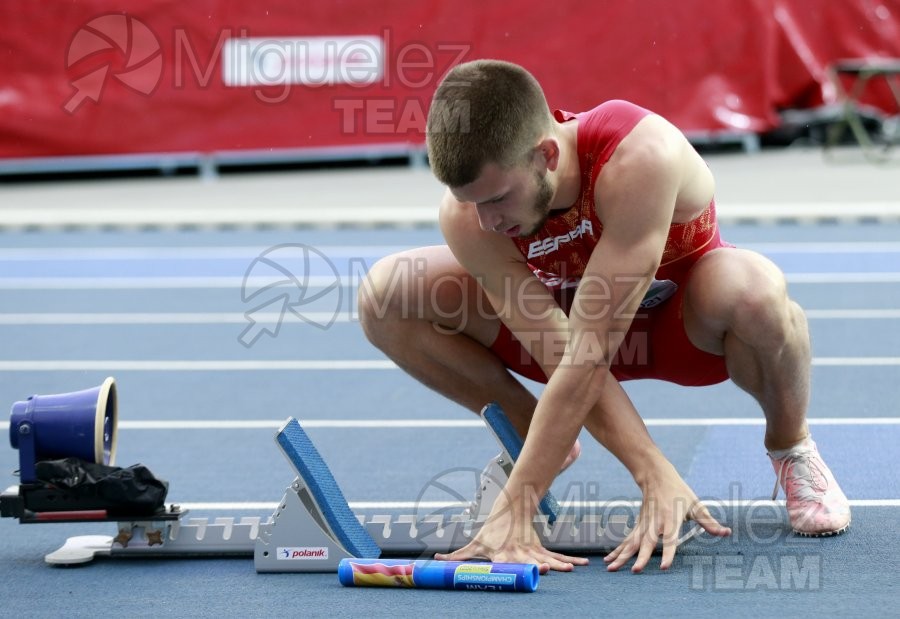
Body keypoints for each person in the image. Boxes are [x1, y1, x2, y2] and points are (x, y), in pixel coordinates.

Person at [358, 59, 850, 574]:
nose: (488, 222)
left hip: (681, 329)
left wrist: (516, 507)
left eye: (499, 198)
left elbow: (587, 357)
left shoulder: (637, 158)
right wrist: (653, 469)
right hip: (567, 336)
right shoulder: (470, 217)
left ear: (546, 154)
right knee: (387, 292)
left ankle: (791, 447)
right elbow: (560, 350)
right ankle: (535, 435)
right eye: (471, 202)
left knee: (755, 291)